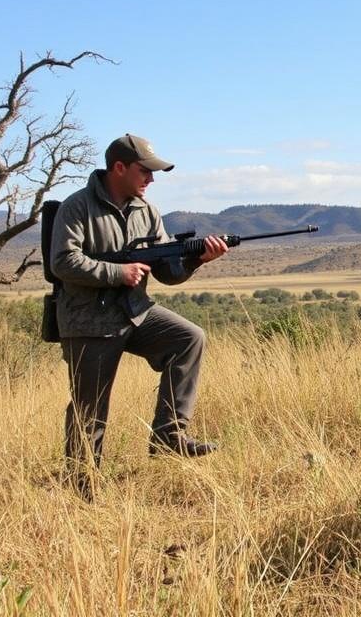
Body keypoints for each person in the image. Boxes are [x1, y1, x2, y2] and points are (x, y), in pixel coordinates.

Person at [50, 133, 228, 488]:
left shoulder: (147, 212)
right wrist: (118, 273)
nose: (151, 179)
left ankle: (169, 436)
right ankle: (81, 484)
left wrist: (197, 259)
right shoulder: (77, 206)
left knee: (188, 339)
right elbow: (63, 262)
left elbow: (167, 272)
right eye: (145, 171)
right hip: (89, 320)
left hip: (135, 312)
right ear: (119, 168)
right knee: (90, 408)